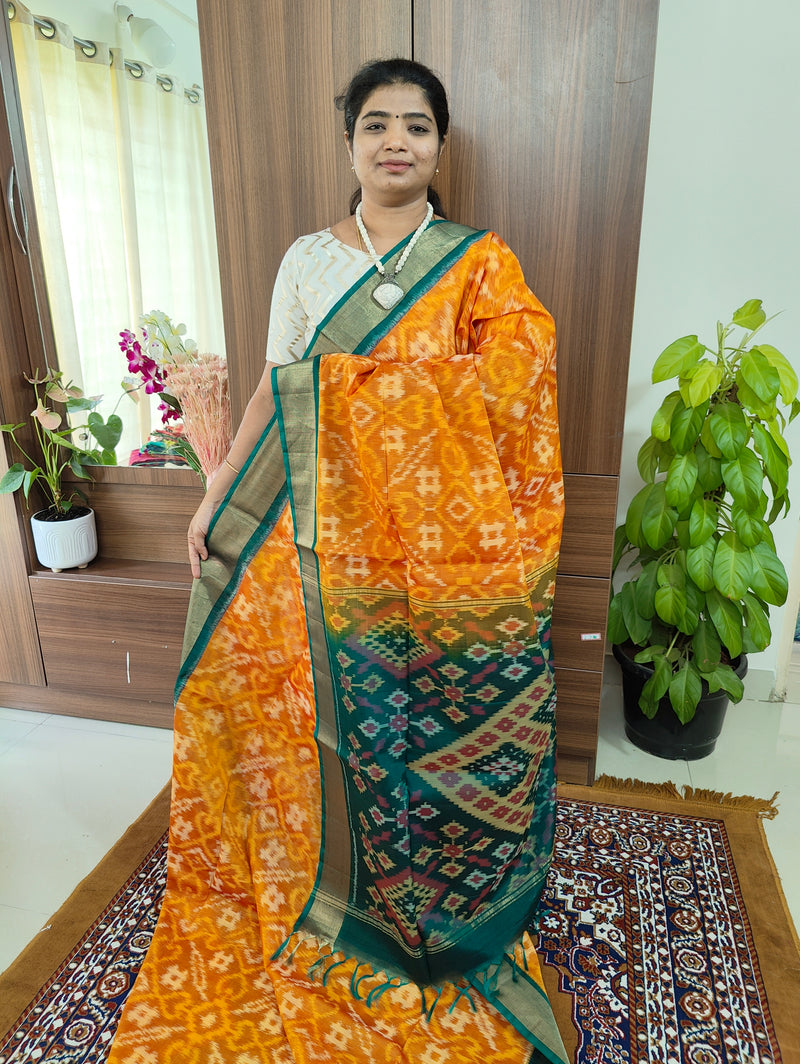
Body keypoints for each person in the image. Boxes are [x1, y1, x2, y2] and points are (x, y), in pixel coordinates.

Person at [108, 58, 567, 1064]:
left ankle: (417, 894)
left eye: (414, 124)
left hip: (432, 562)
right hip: (305, 533)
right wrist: (218, 490)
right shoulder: (308, 260)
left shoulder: (477, 264)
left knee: (410, 717)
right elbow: (282, 389)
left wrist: (356, 391)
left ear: (438, 145)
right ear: (348, 142)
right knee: (299, 712)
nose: (394, 140)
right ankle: (312, 881)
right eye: (374, 124)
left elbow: (518, 373)